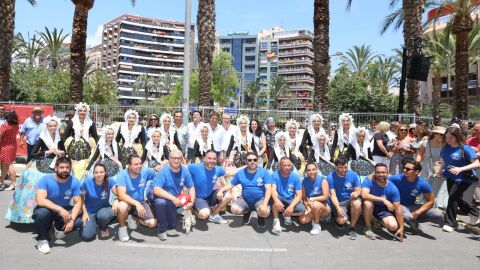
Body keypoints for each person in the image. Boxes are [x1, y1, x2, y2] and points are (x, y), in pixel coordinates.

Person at [5, 116, 65, 223]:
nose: (53, 127)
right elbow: (33, 153)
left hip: (56, 165)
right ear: (47, 126)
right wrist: (48, 152)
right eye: (50, 126)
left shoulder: (59, 138)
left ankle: (56, 215)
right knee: (35, 190)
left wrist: (61, 152)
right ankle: (35, 215)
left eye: (55, 125)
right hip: (41, 165)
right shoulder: (42, 138)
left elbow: (64, 151)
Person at [32, 157, 83, 254]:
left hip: (63, 209)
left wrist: (71, 220)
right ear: (55, 168)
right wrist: (60, 209)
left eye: (67, 167)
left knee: (78, 222)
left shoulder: (75, 181)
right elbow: (40, 200)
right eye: (62, 167)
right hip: (47, 208)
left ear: (70, 168)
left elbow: (78, 202)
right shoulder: (45, 179)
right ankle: (42, 239)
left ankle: (59, 228)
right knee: (41, 214)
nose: (65, 170)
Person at [438, 126, 480, 232]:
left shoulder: (465, 148)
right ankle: (475, 213)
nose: (448, 140)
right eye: (446, 137)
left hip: (464, 178)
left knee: (452, 198)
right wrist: (439, 171)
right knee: (457, 199)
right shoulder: (446, 147)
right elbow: (444, 160)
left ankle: (450, 223)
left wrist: (460, 169)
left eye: (451, 138)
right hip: (450, 176)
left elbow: (477, 163)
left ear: (457, 137)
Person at [148, 149, 195, 240]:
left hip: (171, 198)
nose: (176, 161)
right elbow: (156, 190)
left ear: (182, 159)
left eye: (178, 158)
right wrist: (174, 199)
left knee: (171, 225)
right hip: (155, 194)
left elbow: (191, 188)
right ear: (169, 159)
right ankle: (161, 230)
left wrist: (191, 202)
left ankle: (158, 213)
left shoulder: (185, 171)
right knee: (161, 203)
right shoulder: (163, 171)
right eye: (173, 158)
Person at [217, 152, 272, 228]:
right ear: (246, 162)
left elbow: (269, 189)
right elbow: (231, 185)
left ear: (258, 161)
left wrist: (265, 204)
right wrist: (221, 190)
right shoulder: (240, 173)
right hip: (245, 199)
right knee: (234, 209)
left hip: (260, 200)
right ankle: (247, 211)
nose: (252, 161)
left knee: (265, 212)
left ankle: (260, 216)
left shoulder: (264, 172)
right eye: (249, 160)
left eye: (254, 160)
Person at [389, 160, 443, 234]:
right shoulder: (396, 178)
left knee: (438, 215)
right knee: (408, 217)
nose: (404, 170)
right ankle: (400, 220)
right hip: (398, 205)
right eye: (404, 168)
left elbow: (431, 201)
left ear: (416, 172)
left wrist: (417, 213)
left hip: (411, 206)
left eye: (408, 169)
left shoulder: (423, 184)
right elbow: (380, 181)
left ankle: (412, 221)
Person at [115, 154, 157, 242]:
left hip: (141, 202)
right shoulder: (122, 175)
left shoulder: (145, 171)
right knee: (122, 206)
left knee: (152, 223)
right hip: (127, 202)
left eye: (140, 163)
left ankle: (134, 218)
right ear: (129, 166)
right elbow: (121, 195)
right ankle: (122, 228)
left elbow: (157, 176)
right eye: (136, 164)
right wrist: (136, 203)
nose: (139, 166)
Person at [188, 150, 234, 224]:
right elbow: (180, 168)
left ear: (216, 160)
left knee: (228, 196)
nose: (212, 160)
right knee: (204, 215)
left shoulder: (218, 169)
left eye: (214, 158)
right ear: (204, 158)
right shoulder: (195, 167)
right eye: (209, 158)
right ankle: (193, 211)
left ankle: (214, 215)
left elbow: (231, 173)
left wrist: (247, 167)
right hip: (199, 198)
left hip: (211, 195)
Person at [361, 163, 404, 241]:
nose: (380, 174)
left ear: (387, 173)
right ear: (374, 173)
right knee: (367, 203)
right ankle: (368, 227)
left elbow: (398, 208)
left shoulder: (392, 188)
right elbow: (364, 195)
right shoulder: (368, 180)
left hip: (382, 209)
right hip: (369, 206)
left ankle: (377, 220)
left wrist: (401, 227)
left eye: (383, 172)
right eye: (378, 172)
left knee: (393, 226)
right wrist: (383, 199)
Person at [327, 157, 363, 240]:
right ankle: (340, 217)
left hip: (351, 200)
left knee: (357, 203)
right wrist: (337, 207)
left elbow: (358, 189)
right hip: (339, 202)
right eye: (341, 167)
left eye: (346, 167)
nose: (344, 170)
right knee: (342, 220)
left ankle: (352, 227)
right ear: (336, 167)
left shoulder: (353, 174)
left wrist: (356, 193)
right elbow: (332, 195)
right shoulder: (331, 177)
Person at [80, 163, 117, 241]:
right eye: (96, 172)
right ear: (93, 173)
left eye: (101, 172)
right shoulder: (86, 182)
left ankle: (103, 228)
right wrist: (84, 212)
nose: (98, 174)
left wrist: (116, 200)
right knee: (87, 237)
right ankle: (89, 224)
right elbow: (80, 199)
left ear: (105, 173)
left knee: (103, 216)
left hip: (104, 209)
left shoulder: (109, 181)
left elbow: (119, 194)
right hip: (90, 211)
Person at [63, 102, 99, 180]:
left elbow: (96, 137)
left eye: (84, 111)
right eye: (81, 110)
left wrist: (97, 146)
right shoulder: (72, 122)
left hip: (87, 150)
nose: (82, 112)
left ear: (87, 112)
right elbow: (65, 136)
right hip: (73, 150)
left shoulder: (91, 123)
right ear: (77, 111)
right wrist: (64, 149)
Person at [270, 157, 305, 234]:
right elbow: (273, 190)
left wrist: (291, 206)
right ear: (280, 166)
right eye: (284, 165)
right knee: (274, 199)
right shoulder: (274, 175)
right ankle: (276, 221)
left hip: (290, 200)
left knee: (302, 210)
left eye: (289, 165)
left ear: (291, 166)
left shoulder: (295, 176)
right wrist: (276, 200)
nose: (287, 167)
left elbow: (299, 195)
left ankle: (286, 214)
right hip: (279, 198)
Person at [416, 126, 448, 208]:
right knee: (426, 183)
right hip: (427, 166)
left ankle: (435, 204)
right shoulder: (426, 142)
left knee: (438, 185)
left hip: (439, 167)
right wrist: (416, 164)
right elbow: (420, 154)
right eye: (440, 134)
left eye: (443, 134)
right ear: (435, 134)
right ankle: (424, 202)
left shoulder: (445, 144)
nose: (442, 136)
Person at [299, 162, 331, 235]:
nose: (311, 172)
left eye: (313, 169)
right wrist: (306, 205)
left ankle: (316, 225)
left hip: (325, 207)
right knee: (303, 220)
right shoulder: (304, 181)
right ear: (306, 171)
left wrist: (313, 199)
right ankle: (315, 218)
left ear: (317, 170)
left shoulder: (323, 180)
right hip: (311, 206)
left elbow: (325, 196)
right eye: (309, 170)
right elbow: (304, 197)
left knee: (315, 204)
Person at [0, 110, 20, 190]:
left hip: (5, 147)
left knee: (9, 165)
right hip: (12, 146)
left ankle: (14, 183)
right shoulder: (16, 125)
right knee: (5, 165)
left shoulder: (5, 125)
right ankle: (1, 182)